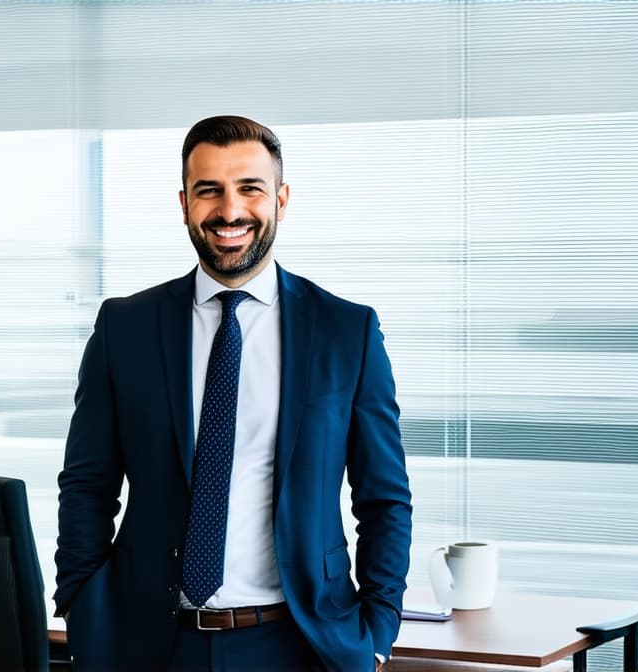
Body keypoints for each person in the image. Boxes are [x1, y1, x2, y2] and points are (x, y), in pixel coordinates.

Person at [54, 115, 412, 672]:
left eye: (250, 188)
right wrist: (81, 608)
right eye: (209, 191)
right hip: (148, 646)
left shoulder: (347, 332)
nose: (229, 211)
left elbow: (383, 498)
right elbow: (87, 485)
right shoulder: (124, 327)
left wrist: (378, 630)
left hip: (300, 644)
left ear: (282, 199)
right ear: (183, 202)